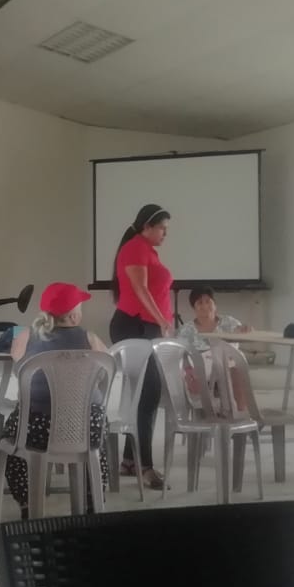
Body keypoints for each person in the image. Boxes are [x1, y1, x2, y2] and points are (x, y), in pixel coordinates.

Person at [0, 282, 112, 519]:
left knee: (10, 437)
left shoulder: (25, 336)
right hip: (86, 428)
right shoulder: (90, 338)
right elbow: (107, 369)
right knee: (99, 440)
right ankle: (93, 499)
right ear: (74, 315)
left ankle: (27, 503)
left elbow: (19, 370)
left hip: (36, 430)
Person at [109, 203, 174, 491]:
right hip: (135, 325)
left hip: (145, 326)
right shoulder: (135, 248)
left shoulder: (146, 249)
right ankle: (144, 466)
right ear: (147, 226)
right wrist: (161, 320)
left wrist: (161, 322)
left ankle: (129, 460)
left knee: (143, 393)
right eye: (162, 228)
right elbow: (141, 289)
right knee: (149, 394)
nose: (165, 234)